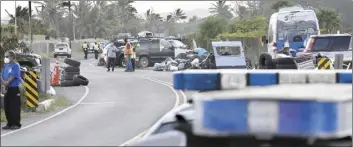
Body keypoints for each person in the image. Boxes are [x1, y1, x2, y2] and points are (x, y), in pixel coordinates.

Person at [1, 50, 22, 130]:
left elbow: (12, 77)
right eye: (5, 56)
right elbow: (1, 75)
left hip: (14, 89)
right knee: (7, 107)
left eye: (7, 56)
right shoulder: (5, 66)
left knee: (14, 107)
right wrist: (3, 83)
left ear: (12, 57)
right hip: (7, 89)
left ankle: (16, 123)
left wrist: (7, 82)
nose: (5, 58)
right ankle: (9, 123)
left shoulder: (15, 65)